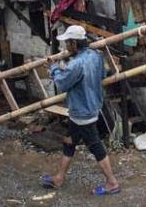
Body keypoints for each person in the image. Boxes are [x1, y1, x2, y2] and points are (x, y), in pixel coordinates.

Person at [40, 25, 120, 196]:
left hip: (83, 112)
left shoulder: (76, 64)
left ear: (74, 45)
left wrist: (54, 68)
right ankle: (59, 178)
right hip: (89, 107)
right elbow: (102, 76)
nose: (66, 47)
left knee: (96, 146)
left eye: (68, 43)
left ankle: (112, 182)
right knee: (69, 141)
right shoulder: (96, 56)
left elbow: (62, 83)